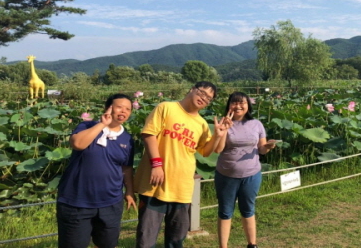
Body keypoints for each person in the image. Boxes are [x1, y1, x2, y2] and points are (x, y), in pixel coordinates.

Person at [133, 81, 232, 248]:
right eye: (202, 93)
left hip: (182, 187)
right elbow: (148, 135)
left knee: (177, 238)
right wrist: (157, 165)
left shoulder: (201, 123)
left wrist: (218, 135)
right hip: (155, 184)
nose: (204, 99)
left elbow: (206, 152)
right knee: (146, 239)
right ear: (192, 89)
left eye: (209, 98)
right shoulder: (166, 107)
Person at [56, 93, 136, 248]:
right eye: (119, 107)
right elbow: (78, 144)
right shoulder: (86, 126)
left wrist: (129, 191)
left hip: (111, 202)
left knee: (107, 244)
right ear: (108, 108)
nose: (123, 112)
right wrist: (102, 124)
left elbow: (126, 168)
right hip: (77, 202)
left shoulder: (127, 138)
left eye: (128, 109)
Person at [214, 92, 277, 248]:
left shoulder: (256, 124)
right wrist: (223, 130)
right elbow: (218, 149)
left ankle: (252, 244)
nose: (238, 106)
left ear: (248, 105)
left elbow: (261, 150)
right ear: (229, 105)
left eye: (242, 103)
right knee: (225, 211)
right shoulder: (223, 123)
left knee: (248, 209)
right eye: (234, 103)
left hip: (251, 174)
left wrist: (268, 147)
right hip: (226, 174)